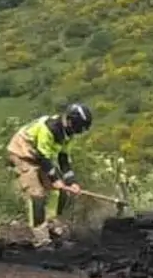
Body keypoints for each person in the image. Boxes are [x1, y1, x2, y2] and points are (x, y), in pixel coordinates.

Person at [6, 103, 93, 249]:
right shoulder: (48, 129)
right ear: (71, 121)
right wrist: (55, 179)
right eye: (78, 128)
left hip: (40, 157)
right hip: (22, 155)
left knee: (59, 192)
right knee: (37, 196)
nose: (78, 133)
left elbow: (63, 159)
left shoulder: (68, 134)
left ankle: (51, 224)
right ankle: (41, 239)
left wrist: (72, 182)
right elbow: (43, 158)